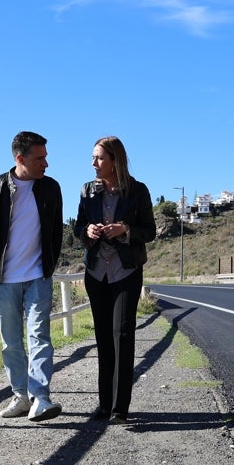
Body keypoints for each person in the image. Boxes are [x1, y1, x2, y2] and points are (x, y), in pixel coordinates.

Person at [0, 131, 64, 422]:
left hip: (38, 275)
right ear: (20, 158)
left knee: (40, 336)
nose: (46, 164)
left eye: (46, 158)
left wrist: (48, 266)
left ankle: (41, 398)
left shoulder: (51, 188)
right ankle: (21, 396)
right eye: (40, 158)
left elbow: (56, 232)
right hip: (4, 279)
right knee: (10, 342)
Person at [73, 135, 156, 424]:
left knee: (122, 335)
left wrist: (125, 229)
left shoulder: (138, 191)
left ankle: (120, 408)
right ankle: (103, 405)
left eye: (99, 158)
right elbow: (77, 229)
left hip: (126, 271)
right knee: (103, 338)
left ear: (114, 160)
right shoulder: (87, 191)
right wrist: (89, 232)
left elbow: (150, 231)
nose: (93, 163)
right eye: (93, 157)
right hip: (95, 272)